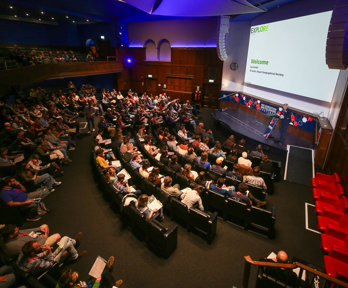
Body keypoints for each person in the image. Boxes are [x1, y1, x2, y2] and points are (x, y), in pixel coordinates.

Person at [17, 234, 85, 276]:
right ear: (32, 252)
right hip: (52, 262)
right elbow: (50, 264)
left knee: (67, 243)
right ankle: (74, 244)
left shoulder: (24, 252)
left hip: (45, 259)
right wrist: (49, 251)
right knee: (65, 240)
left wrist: (45, 252)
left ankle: (74, 253)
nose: (40, 246)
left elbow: (37, 256)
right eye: (38, 247)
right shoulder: (34, 262)